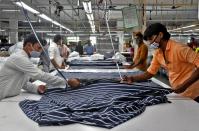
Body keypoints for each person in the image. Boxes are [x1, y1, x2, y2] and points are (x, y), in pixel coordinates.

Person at [122, 23, 199, 102]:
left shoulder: (180, 49)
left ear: (160, 35)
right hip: (179, 92)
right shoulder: (158, 53)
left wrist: (184, 86)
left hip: (194, 92)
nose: (150, 43)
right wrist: (132, 78)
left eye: (151, 39)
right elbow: (150, 73)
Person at [0, 34, 80, 100]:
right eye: (38, 48)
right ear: (28, 45)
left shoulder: (26, 59)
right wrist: (66, 81)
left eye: (41, 49)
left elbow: (23, 83)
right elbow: (40, 75)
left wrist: (36, 88)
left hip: (8, 98)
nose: (40, 51)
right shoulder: (19, 58)